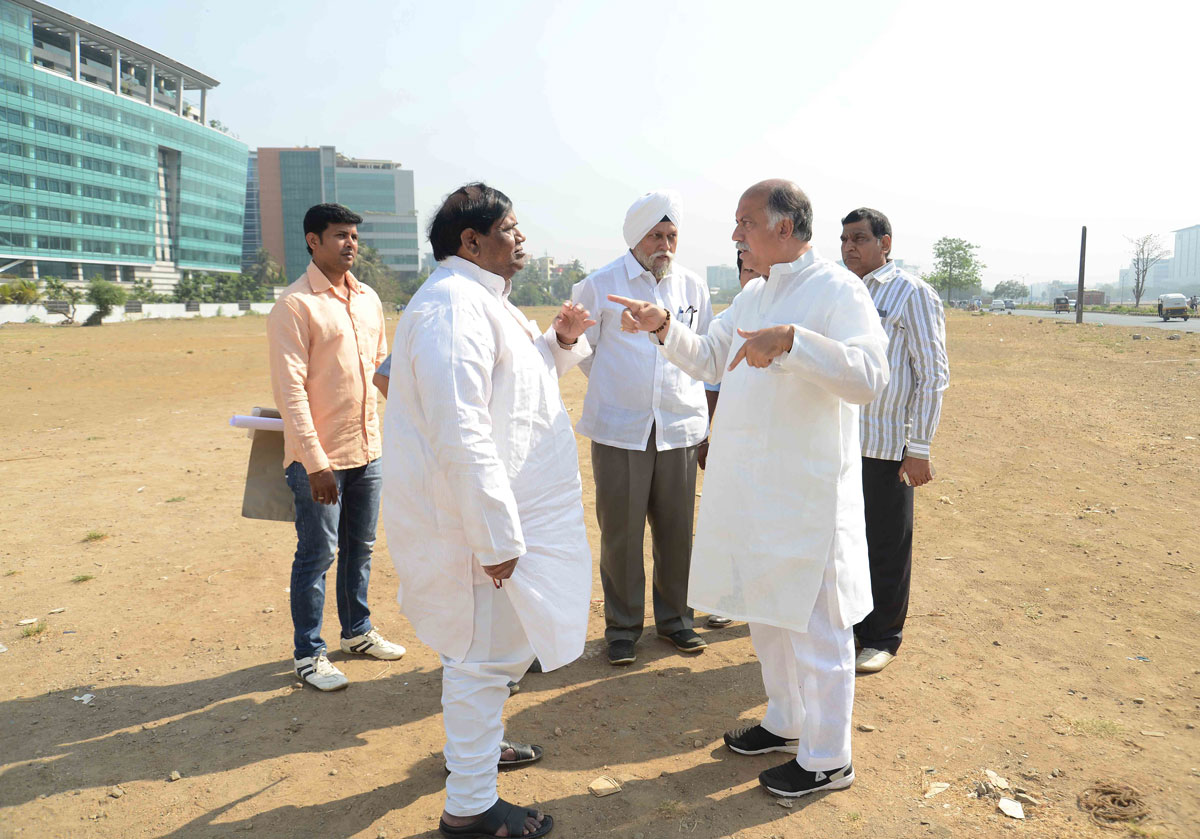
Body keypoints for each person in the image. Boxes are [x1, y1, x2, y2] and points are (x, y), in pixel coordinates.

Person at [609, 179, 889, 798]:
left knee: (817, 629)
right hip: (754, 492)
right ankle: (786, 721)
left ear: (784, 228)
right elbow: (712, 359)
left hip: (809, 495)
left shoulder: (837, 291)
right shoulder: (754, 294)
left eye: (746, 222)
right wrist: (663, 327)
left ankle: (829, 757)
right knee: (767, 614)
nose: (735, 234)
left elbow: (870, 375)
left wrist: (794, 342)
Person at [381, 183, 594, 838]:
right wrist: (494, 535)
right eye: (509, 227)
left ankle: (476, 767)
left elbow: (518, 386)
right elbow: (461, 427)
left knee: (491, 661)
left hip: (505, 521)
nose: (521, 237)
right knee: (481, 665)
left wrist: (559, 342)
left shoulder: (484, 300)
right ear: (471, 241)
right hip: (480, 532)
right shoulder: (452, 307)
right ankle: (470, 809)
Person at [266, 203, 407, 692]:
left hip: (368, 449)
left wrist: (415, 420)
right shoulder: (294, 305)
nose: (351, 244)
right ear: (313, 241)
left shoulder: (368, 299)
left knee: (360, 548)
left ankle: (357, 631)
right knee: (317, 553)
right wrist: (314, 462)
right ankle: (309, 654)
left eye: (354, 237)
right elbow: (290, 391)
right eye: (340, 235)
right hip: (320, 459)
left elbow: (382, 370)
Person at [570, 190, 712, 666]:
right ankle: (623, 629)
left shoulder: (692, 287)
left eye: (671, 236)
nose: (665, 245)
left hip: (679, 425)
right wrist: (619, 385)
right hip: (621, 428)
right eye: (655, 235)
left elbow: (701, 349)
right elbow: (582, 350)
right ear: (635, 237)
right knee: (621, 535)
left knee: (677, 532)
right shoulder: (599, 285)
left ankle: (676, 621)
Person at [840, 208, 949, 673]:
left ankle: (882, 637)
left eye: (860, 239)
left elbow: (932, 374)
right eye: (845, 239)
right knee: (845, 542)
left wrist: (919, 447)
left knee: (885, 545)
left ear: (885, 244)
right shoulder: (842, 292)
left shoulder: (911, 293)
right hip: (840, 440)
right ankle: (849, 628)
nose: (849, 247)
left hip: (887, 446)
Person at [698, 252, 762, 629]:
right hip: (736, 445)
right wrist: (706, 438)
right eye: (747, 271)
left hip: (780, 448)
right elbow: (711, 385)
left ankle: (770, 602)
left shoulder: (792, 317)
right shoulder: (728, 322)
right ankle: (735, 598)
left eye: (758, 270)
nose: (753, 277)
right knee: (737, 522)